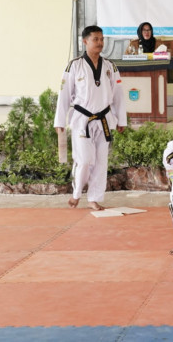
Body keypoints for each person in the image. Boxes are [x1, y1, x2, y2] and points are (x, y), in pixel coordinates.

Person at [54, 25, 127, 210]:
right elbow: (64, 94)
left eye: (102, 39)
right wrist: (59, 121)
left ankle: (94, 198)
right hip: (81, 119)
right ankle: (77, 192)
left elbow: (118, 94)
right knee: (85, 159)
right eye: (96, 39)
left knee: (101, 162)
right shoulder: (75, 65)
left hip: (104, 119)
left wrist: (121, 119)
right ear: (85, 41)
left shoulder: (110, 66)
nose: (100, 43)